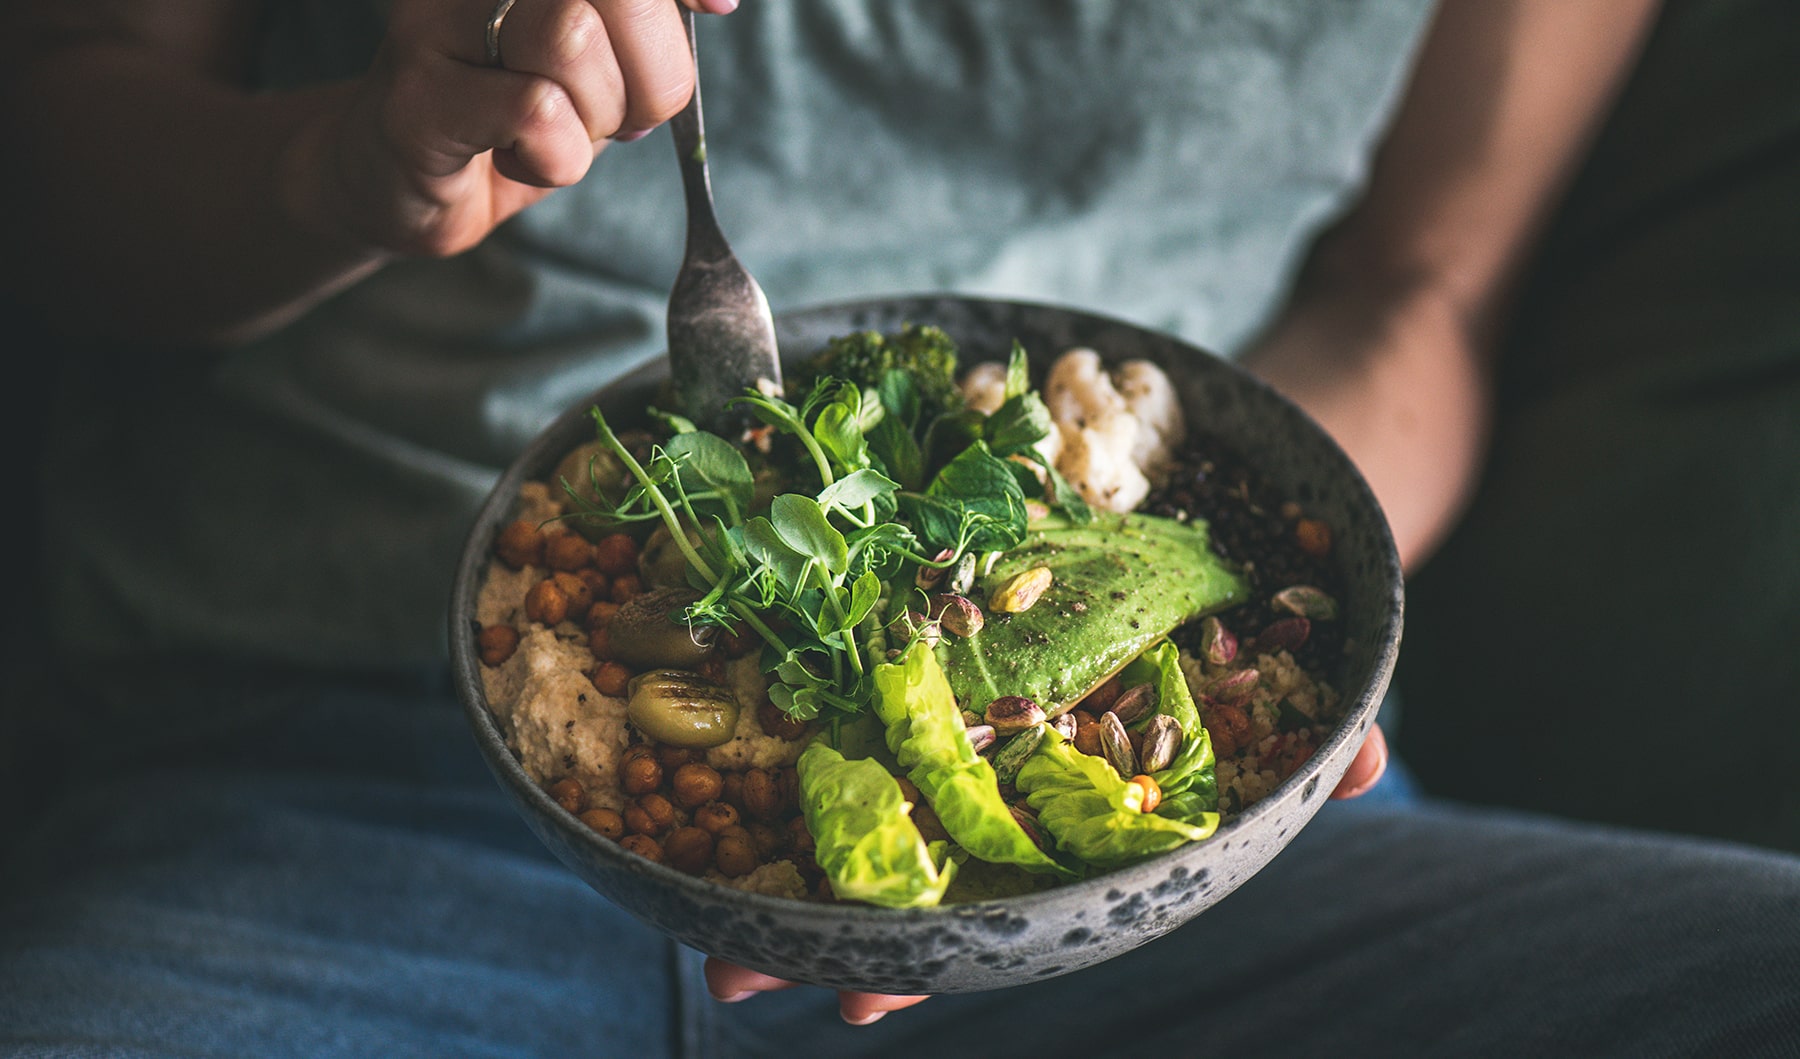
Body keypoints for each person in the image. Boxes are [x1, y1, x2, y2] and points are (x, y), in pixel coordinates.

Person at [1, 1, 1796, 1055]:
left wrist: (1248, 697)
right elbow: (69, 185)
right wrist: (351, 161)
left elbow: (1427, 285)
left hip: (1167, 870)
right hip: (335, 766)